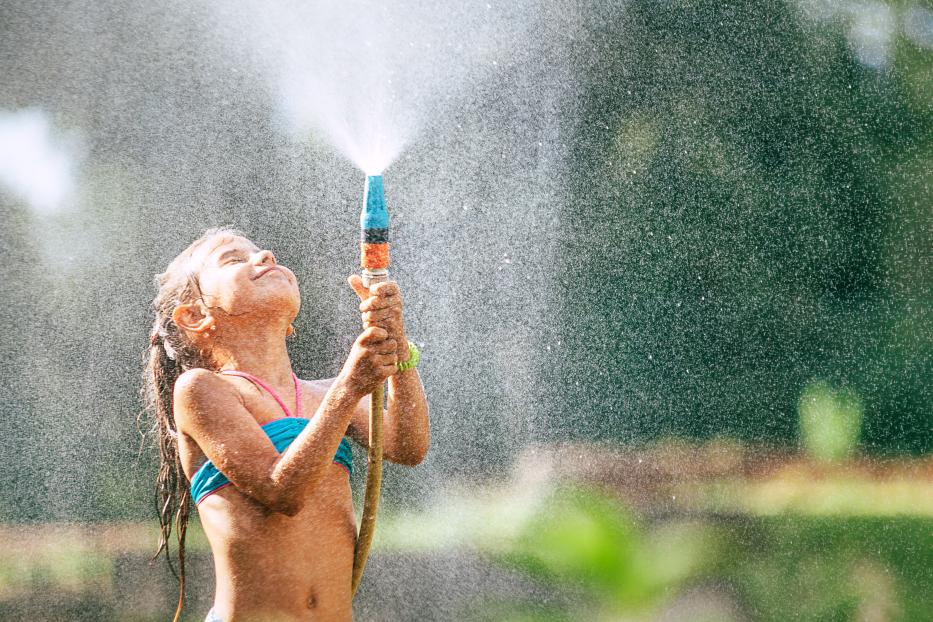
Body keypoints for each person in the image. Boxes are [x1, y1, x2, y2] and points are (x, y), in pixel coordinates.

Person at [141, 226, 429, 622]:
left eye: (261, 251)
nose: (266, 256)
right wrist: (348, 389)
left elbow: (408, 446)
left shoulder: (326, 393)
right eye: (233, 259)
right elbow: (282, 491)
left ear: (292, 321)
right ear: (194, 315)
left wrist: (398, 344)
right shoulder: (201, 390)